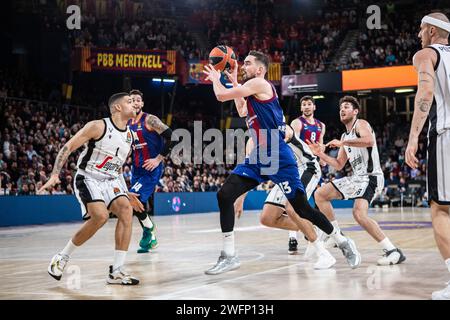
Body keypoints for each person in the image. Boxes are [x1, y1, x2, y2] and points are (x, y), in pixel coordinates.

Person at [202, 51, 360, 275]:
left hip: (279, 156)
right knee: (225, 195)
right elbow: (241, 109)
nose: (243, 66)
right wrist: (234, 80)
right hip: (260, 156)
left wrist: (218, 80)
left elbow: (221, 96)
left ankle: (342, 241)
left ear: (260, 69)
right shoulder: (252, 90)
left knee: (302, 208)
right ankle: (228, 255)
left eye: (247, 63)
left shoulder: (260, 83)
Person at [40, 92, 144, 285]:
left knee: (126, 210)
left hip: (111, 180)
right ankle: (62, 257)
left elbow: (118, 166)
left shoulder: (130, 136)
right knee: (101, 217)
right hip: (88, 177)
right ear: (117, 107)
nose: (134, 105)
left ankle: (117, 271)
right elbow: (68, 147)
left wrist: (125, 191)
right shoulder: (98, 126)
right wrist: (55, 174)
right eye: (129, 102)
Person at [308, 96, 406, 266]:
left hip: (371, 177)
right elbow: (339, 165)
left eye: (346, 107)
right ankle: (337, 235)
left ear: (355, 111)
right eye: (340, 108)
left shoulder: (361, 124)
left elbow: (369, 140)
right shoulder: (345, 135)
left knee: (359, 214)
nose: (342, 110)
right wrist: (320, 154)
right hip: (357, 178)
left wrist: (343, 143)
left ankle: (392, 251)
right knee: (320, 194)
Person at [235, 125, 336, 269]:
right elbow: (249, 171)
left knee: (292, 207)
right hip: (285, 175)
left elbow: (286, 135)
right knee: (267, 218)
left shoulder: (278, 125)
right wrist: (241, 198)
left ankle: (323, 253)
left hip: (305, 167)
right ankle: (315, 227)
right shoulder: (252, 142)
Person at [405, 12, 450, 300]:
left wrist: (412, 139)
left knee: (442, 209)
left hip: (446, 132)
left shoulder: (426, 54)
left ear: (432, 32)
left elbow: (425, 91)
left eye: (422, 29)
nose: (419, 33)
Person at [128, 89, 175, 253]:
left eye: (138, 100)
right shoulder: (126, 123)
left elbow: (172, 137)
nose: (135, 102)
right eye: (131, 100)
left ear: (142, 103)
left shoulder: (150, 120)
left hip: (151, 168)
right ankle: (151, 235)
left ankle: (149, 231)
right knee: (135, 204)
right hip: (136, 169)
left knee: (132, 198)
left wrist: (158, 159)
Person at [286, 95, 326, 254]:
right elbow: (291, 144)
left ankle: (314, 230)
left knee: (316, 199)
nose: (307, 107)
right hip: (298, 165)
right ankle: (292, 237)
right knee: (295, 200)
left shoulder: (321, 125)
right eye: (304, 104)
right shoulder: (296, 123)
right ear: (301, 108)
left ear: (314, 107)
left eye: (310, 104)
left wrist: (322, 157)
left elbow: (321, 144)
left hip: (313, 166)